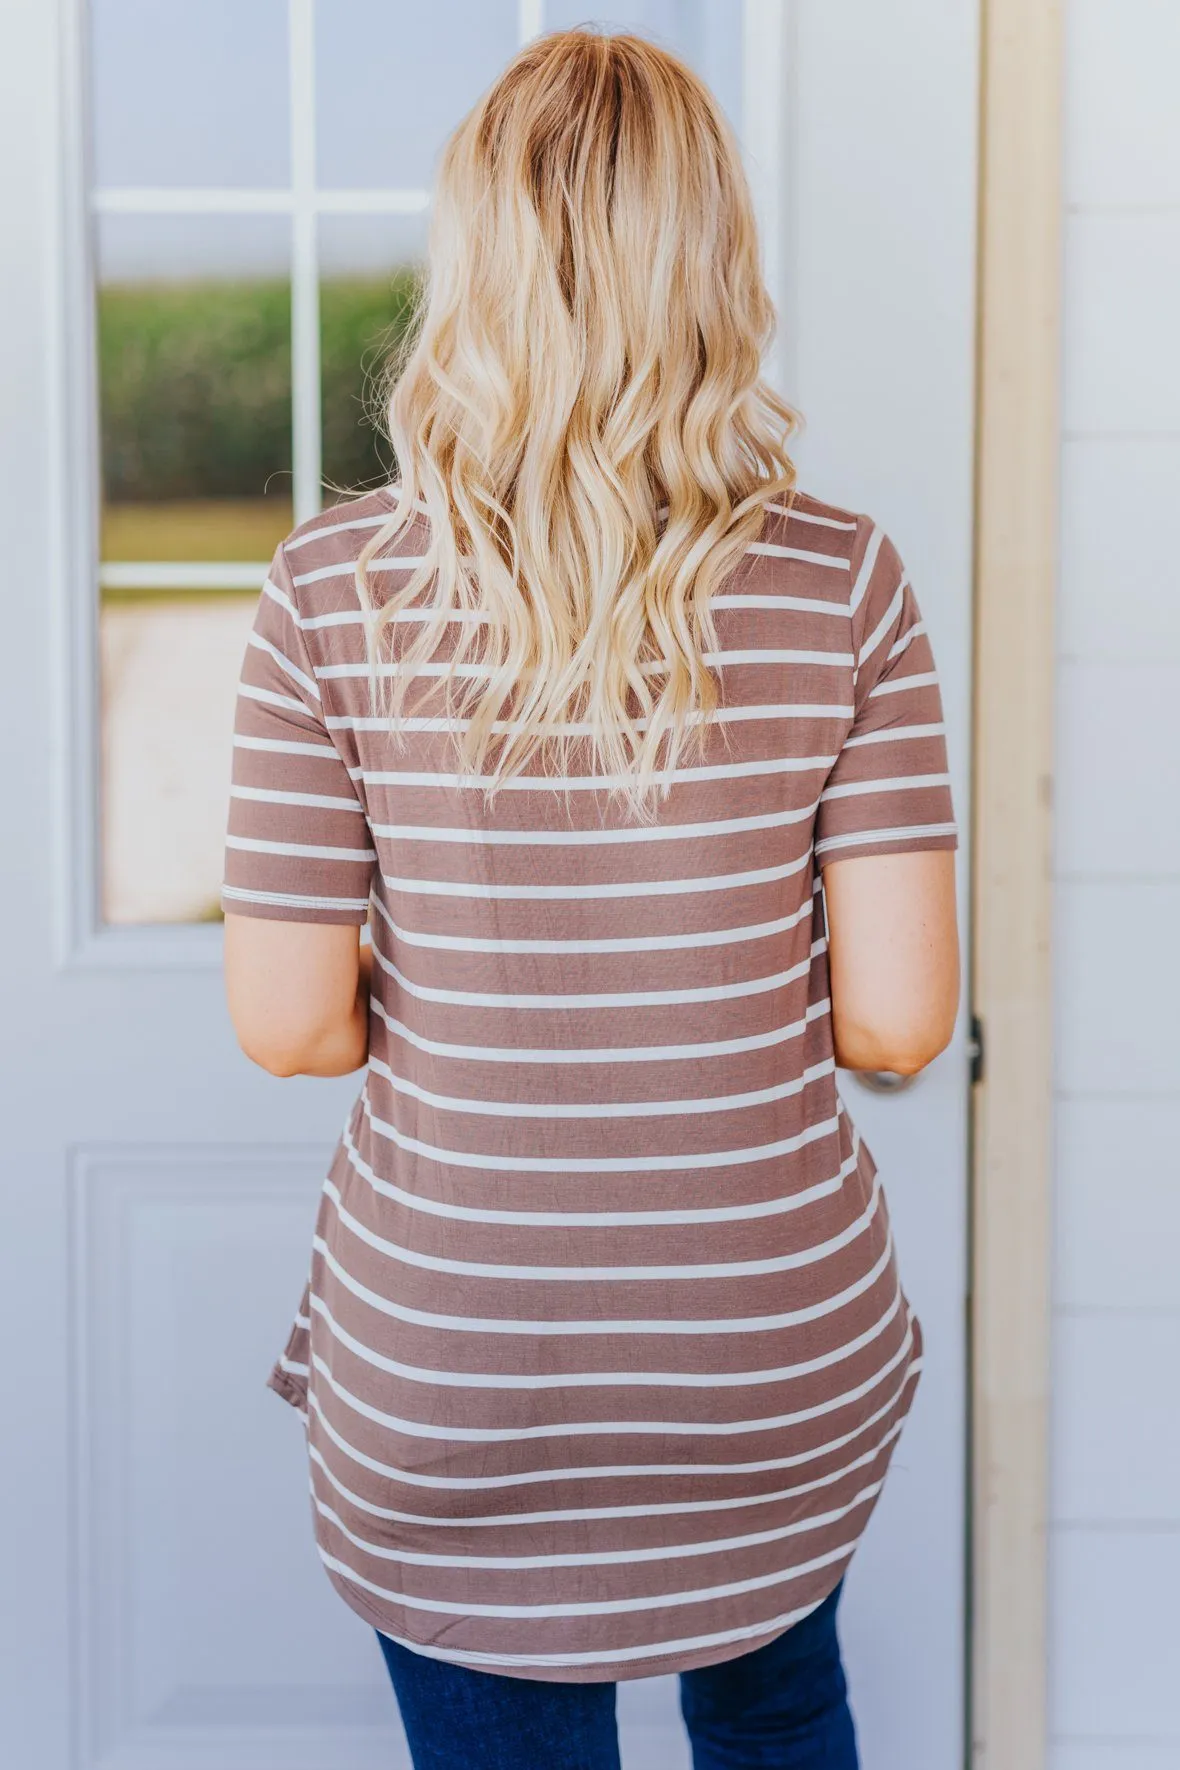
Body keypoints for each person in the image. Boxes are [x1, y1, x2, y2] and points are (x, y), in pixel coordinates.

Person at [221, 27, 959, 1770]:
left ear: (467, 261)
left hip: (457, 1349)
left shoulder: (334, 589)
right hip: (763, 1347)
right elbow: (900, 1017)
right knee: (779, 1708)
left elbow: (290, 1023)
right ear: (718, 263)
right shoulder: (844, 579)